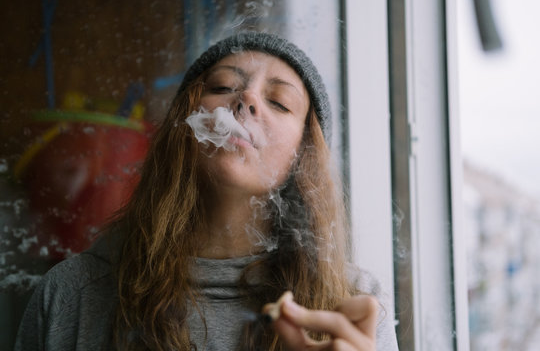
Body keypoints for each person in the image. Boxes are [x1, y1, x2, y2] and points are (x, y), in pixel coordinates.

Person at [15, 32, 399, 350]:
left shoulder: (352, 304)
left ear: (304, 157)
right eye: (222, 86)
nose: (246, 98)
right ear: (183, 126)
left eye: (279, 102)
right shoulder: (73, 294)